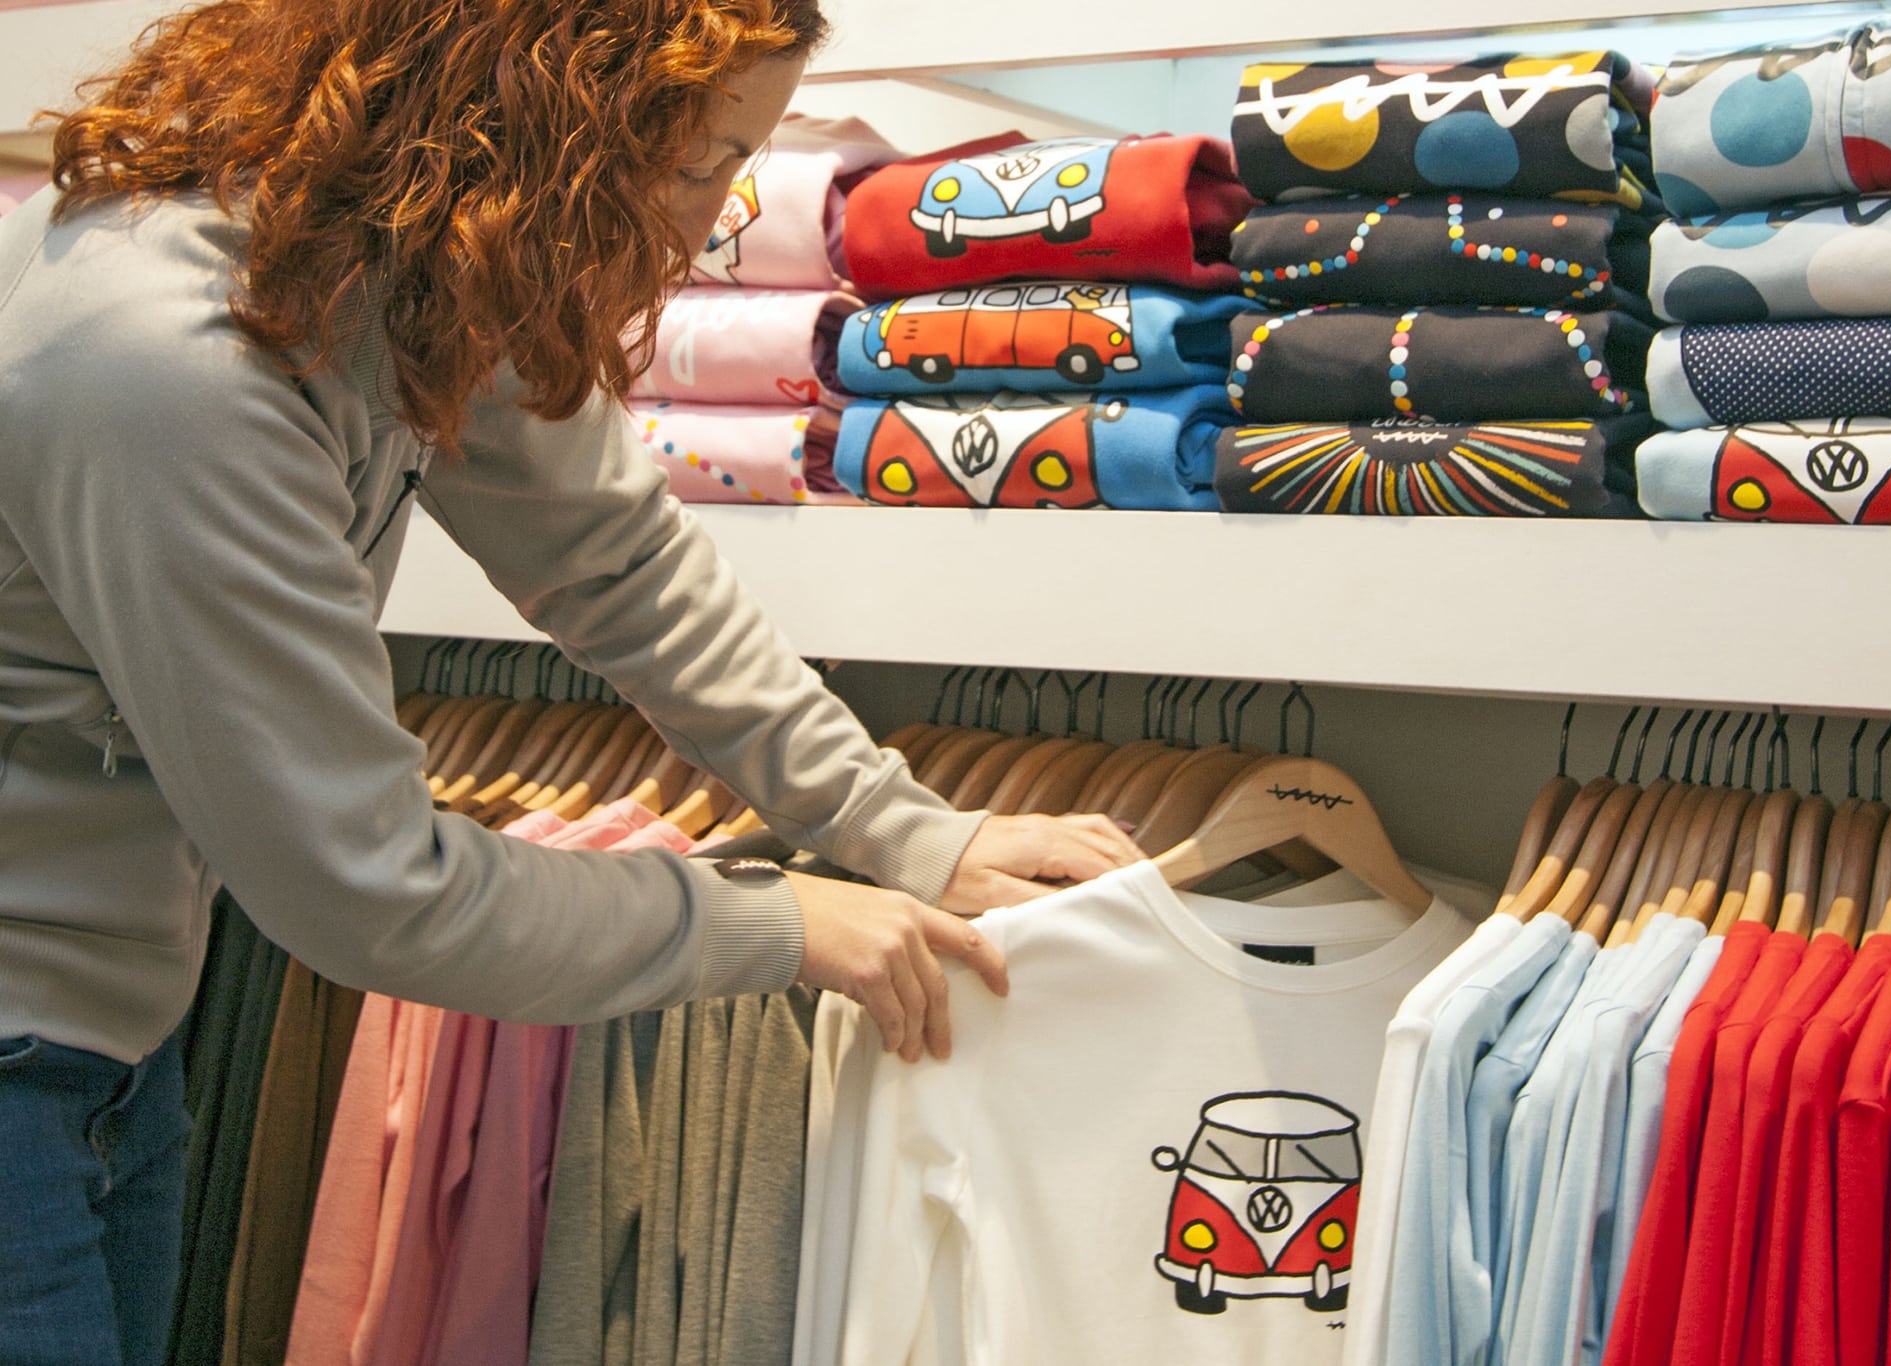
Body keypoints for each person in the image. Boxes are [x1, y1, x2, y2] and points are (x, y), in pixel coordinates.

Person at [0, 0, 1144, 1360]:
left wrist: (906, 829)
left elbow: (615, 561)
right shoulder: (170, 364)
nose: (704, 227)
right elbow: (373, 889)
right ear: (533, 110)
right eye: (692, 165)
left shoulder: (392, 260)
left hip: (107, 1053)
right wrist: (779, 919)